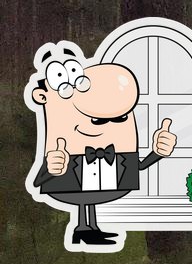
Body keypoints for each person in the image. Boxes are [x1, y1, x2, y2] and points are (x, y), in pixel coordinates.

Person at [26, 41, 177, 246]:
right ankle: (83, 228)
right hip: (70, 178)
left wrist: (158, 152)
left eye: (119, 119)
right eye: (97, 120)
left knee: (88, 199)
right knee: (83, 199)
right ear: (42, 96)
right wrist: (51, 169)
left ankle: (88, 229)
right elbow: (37, 181)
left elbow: (137, 167)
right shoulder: (61, 150)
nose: (103, 126)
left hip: (103, 180)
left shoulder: (119, 154)